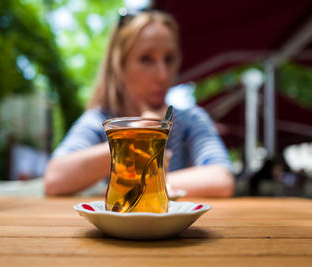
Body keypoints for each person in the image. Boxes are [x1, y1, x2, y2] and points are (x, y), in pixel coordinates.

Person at [44, 9, 234, 197]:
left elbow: (221, 180)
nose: (163, 75)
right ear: (120, 66)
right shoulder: (100, 121)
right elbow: (54, 180)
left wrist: (129, 187)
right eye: (146, 59)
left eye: (169, 59)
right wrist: (136, 135)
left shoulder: (191, 120)